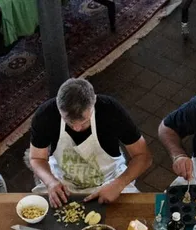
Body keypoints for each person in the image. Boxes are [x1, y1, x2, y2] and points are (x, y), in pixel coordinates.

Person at [28, 78, 152, 206]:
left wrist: (118, 184)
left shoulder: (111, 110)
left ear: (93, 104)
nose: (76, 128)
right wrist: (50, 182)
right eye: (69, 121)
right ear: (59, 109)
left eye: (84, 122)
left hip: (109, 179)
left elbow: (143, 156)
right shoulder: (45, 114)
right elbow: (36, 158)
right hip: (63, 181)